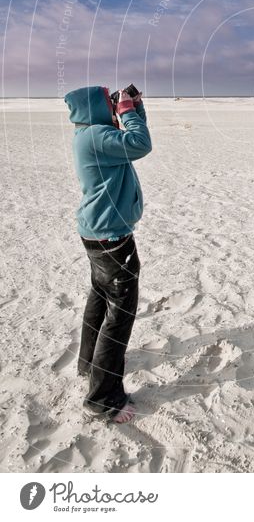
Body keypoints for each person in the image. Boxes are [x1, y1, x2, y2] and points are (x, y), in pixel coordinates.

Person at [64, 85, 152, 423]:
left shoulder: (90, 134)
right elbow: (139, 144)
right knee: (120, 315)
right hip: (113, 239)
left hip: (97, 234)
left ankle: (88, 364)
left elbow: (130, 143)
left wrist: (134, 109)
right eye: (108, 100)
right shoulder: (97, 136)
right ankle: (103, 399)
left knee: (99, 297)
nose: (112, 103)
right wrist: (127, 112)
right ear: (94, 107)